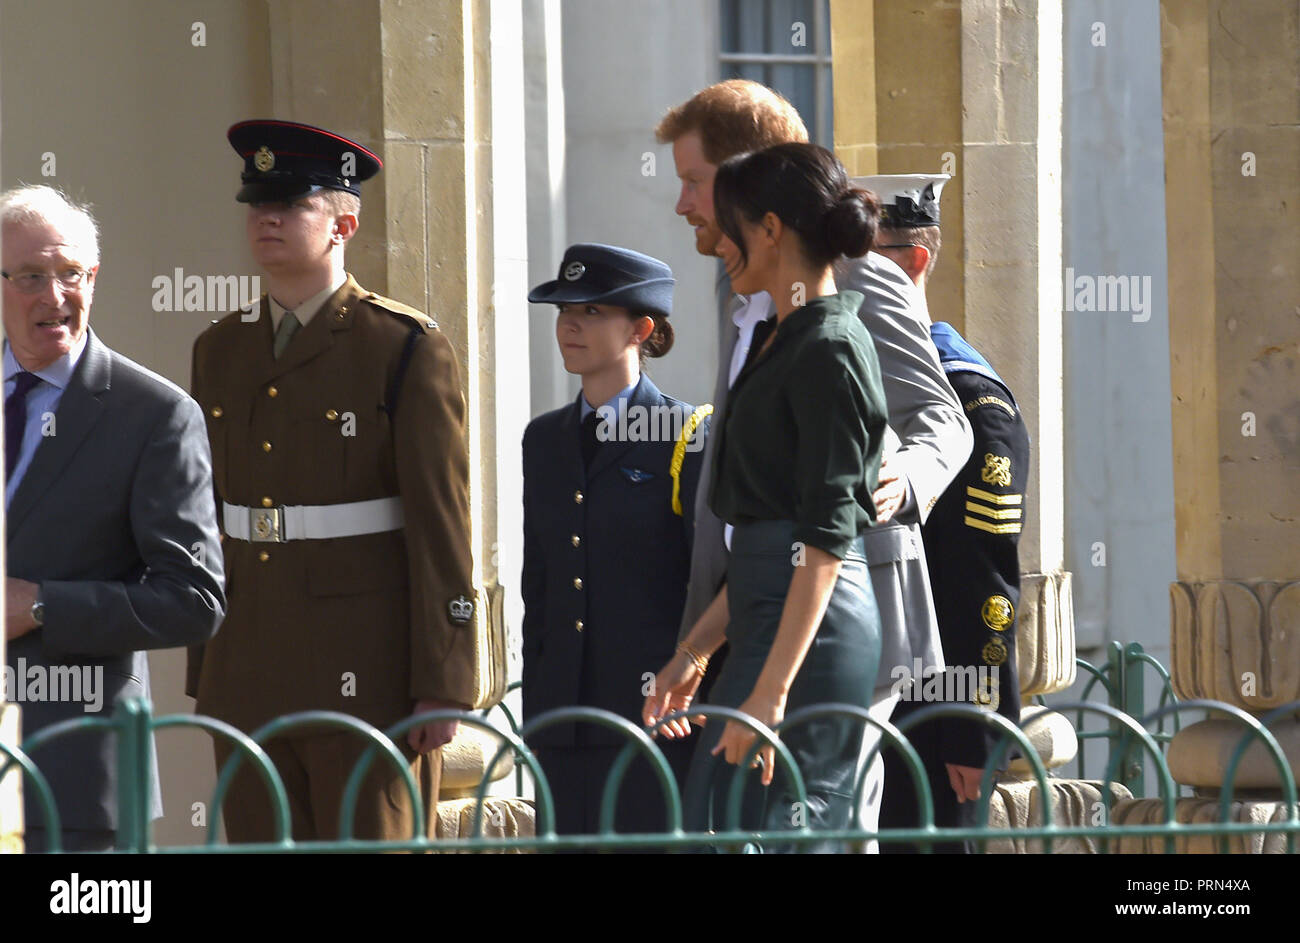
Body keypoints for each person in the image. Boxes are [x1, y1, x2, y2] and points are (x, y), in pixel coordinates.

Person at [651, 80, 972, 848]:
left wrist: (897, 479)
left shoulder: (853, 287)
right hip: (759, 603)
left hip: (843, 606)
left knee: (816, 826)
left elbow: (942, 419)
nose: (687, 205)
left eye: (695, 182)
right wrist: (698, 642)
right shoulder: (752, 296)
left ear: (755, 191)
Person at [187, 119, 477, 844]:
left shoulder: (402, 345)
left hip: (366, 669)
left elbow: (442, 523)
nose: (268, 218)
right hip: (248, 659)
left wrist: (444, 677)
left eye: (291, 203)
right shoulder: (219, 349)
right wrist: (207, 660)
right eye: (257, 204)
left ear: (345, 220)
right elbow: (207, 514)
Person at [645, 143, 889, 852]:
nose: (720, 242)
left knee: (758, 833)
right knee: (720, 826)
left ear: (773, 230)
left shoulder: (831, 345)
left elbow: (823, 541)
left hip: (809, 642)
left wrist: (773, 691)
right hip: (768, 625)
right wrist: (693, 653)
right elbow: (762, 538)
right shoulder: (789, 336)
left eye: (734, 225)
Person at [2, 184, 225, 853]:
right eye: (31, 276)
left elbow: (194, 599)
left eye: (70, 273)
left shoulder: (152, 415)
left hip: (74, 778)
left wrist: (40, 606)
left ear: (93, 279)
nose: (54, 295)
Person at [521, 244, 709, 842]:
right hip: (564, 719)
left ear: (642, 329)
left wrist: (693, 686)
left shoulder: (688, 434)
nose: (570, 323)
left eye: (593, 311)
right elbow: (541, 582)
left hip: (656, 716)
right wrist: (539, 708)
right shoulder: (544, 439)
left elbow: (707, 580)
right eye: (564, 310)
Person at [866, 174, 1029, 853]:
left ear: (915, 261)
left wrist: (970, 723)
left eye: (864, 257)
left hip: (933, 714)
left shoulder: (970, 398)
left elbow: (985, 575)